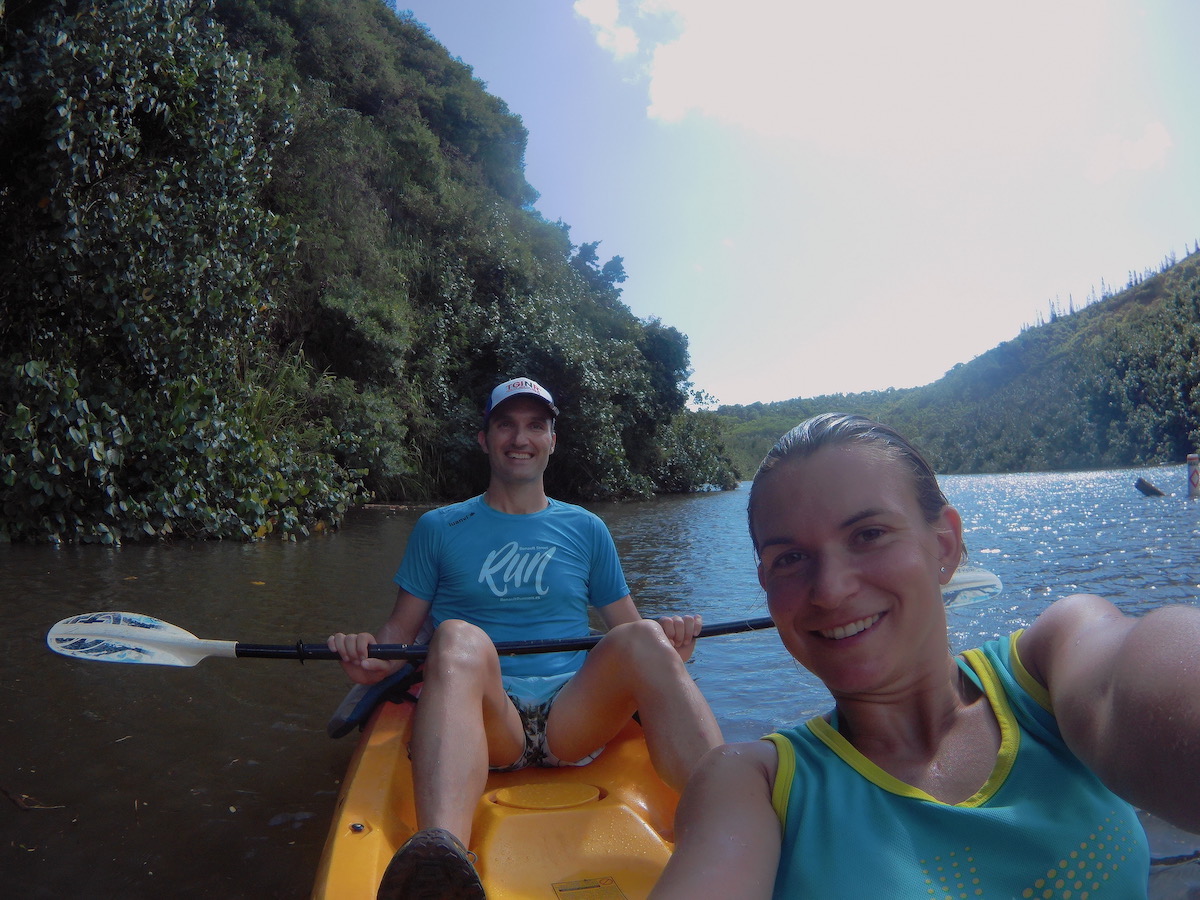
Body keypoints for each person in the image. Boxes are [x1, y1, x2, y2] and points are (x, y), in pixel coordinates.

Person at [651, 413, 1200, 899]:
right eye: (790, 558)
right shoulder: (751, 785)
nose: (830, 589)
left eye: (868, 534)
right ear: (766, 583)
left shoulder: (1055, 662)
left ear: (944, 545)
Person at [328, 376, 723, 900]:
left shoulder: (586, 529)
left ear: (552, 440)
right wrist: (372, 661)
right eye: (506, 425)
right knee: (455, 636)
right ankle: (440, 854)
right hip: (491, 720)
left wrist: (672, 652)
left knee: (646, 636)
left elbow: (628, 632)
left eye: (535, 425)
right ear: (484, 438)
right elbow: (399, 635)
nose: (521, 438)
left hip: (573, 720)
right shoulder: (439, 528)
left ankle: (731, 809)